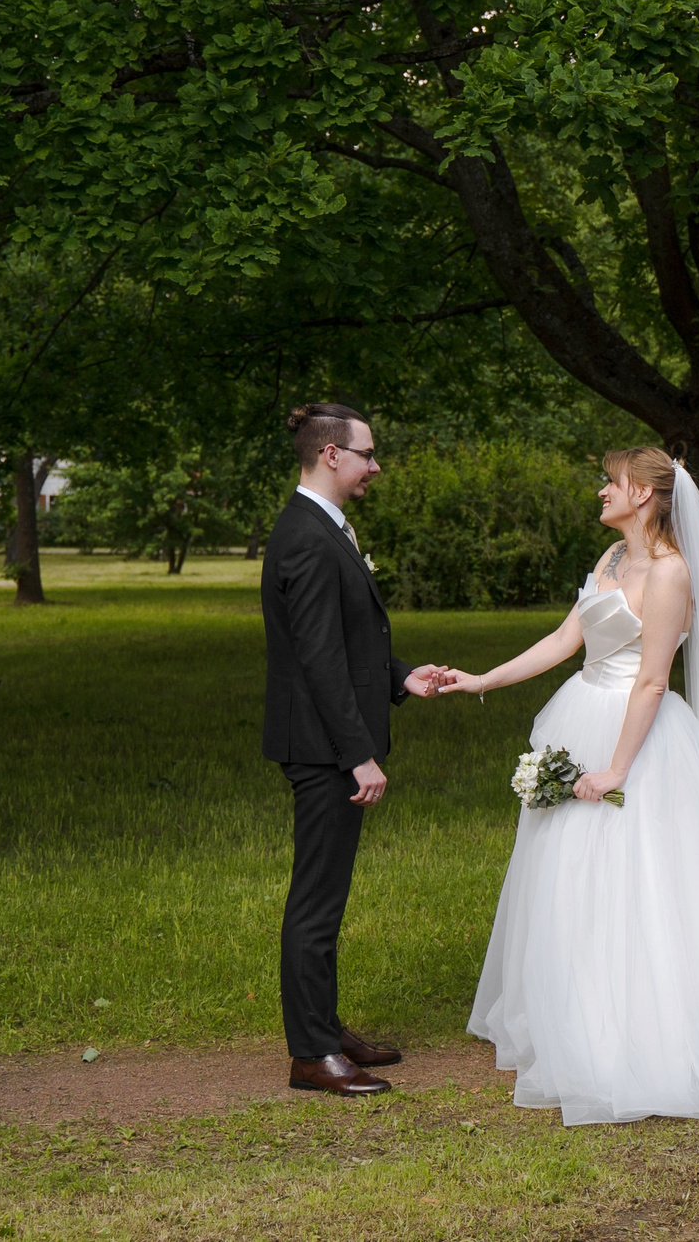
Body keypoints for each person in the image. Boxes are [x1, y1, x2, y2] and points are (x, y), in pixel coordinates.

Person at [443, 446, 699, 1125]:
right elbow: (565, 639)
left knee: (646, 876)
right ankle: (577, 1012)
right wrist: (481, 680)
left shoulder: (671, 572)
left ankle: (648, 1025)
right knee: (571, 872)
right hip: (582, 712)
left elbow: (652, 680)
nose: (602, 490)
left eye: (612, 481)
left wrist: (617, 768)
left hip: (638, 736)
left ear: (644, 494)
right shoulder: (612, 559)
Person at [260, 402, 456, 1097]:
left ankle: (326, 1026)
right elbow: (317, 660)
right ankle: (312, 1054)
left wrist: (401, 675)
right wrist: (358, 754)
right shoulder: (309, 537)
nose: (376, 465)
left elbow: (345, 640)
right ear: (331, 455)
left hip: (326, 740)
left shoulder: (323, 526)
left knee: (327, 894)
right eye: (368, 453)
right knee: (316, 900)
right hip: (322, 747)